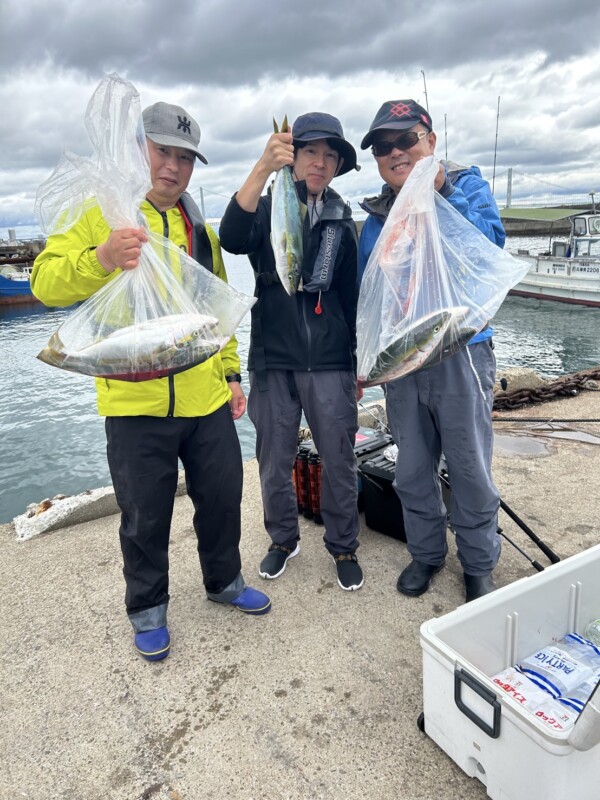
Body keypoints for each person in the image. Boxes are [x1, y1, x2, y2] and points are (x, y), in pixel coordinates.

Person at [31, 101, 271, 662]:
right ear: (138, 150)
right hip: (135, 400)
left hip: (205, 396)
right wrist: (102, 257)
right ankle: (146, 607)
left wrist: (232, 374)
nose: (174, 167)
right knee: (144, 513)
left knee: (222, 497)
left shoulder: (198, 228)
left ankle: (224, 582)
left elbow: (218, 313)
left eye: (186, 158)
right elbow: (45, 282)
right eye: (164, 151)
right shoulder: (101, 212)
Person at [358, 99, 506, 603]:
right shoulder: (378, 216)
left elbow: (488, 247)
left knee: (469, 467)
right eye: (384, 146)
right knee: (412, 468)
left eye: (407, 139)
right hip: (404, 361)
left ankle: (479, 562)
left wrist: (441, 191)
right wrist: (366, 361)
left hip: (461, 351)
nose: (396, 152)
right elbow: (369, 296)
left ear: (431, 141)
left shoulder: (466, 187)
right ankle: (425, 553)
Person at [219, 112, 363, 591]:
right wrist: (263, 166)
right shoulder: (265, 209)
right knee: (273, 459)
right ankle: (283, 539)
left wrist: (358, 363)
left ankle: (343, 545)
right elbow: (231, 237)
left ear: (338, 164)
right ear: (293, 157)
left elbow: (352, 297)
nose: (319, 162)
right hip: (273, 361)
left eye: (329, 155)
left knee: (339, 460)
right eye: (309, 152)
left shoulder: (343, 221)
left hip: (330, 362)